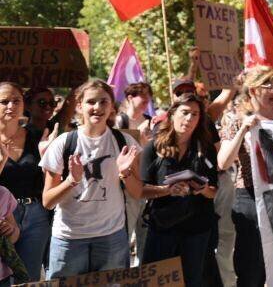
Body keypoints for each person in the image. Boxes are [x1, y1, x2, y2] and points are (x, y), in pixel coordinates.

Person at [40, 80, 143, 278]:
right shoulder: (63, 144)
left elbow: (137, 192)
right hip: (69, 240)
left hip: (112, 237)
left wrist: (125, 173)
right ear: (79, 106)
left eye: (104, 102)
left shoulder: (125, 143)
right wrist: (72, 180)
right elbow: (47, 201)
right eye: (91, 102)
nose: (97, 107)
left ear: (112, 106)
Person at [140, 93, 218, 286]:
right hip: (163, 228)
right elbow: (140, 190)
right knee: (157, 282)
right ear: (173, 114)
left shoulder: (205, 149)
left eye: (195, 114)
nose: (189, 119)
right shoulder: (154, 147)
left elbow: (214, 191)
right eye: (185, 112)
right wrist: (167, 190)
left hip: (196, 229)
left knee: (192, 281)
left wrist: (202, 189)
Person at [217, 66, 273, 287]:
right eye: (267, 84)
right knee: (252, 268)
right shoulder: (236, 121)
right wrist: (243, 131)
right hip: (249, 198)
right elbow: (223, 162)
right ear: (253, 90)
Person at [0, 83, 47, 281]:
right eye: (4, 101)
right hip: (3, 216)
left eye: (16, 100)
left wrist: (47, 157)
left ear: (23, 105)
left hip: (35, 216)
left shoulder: (38, 136)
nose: (11, 106)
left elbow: (47, 181)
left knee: (29, 278)